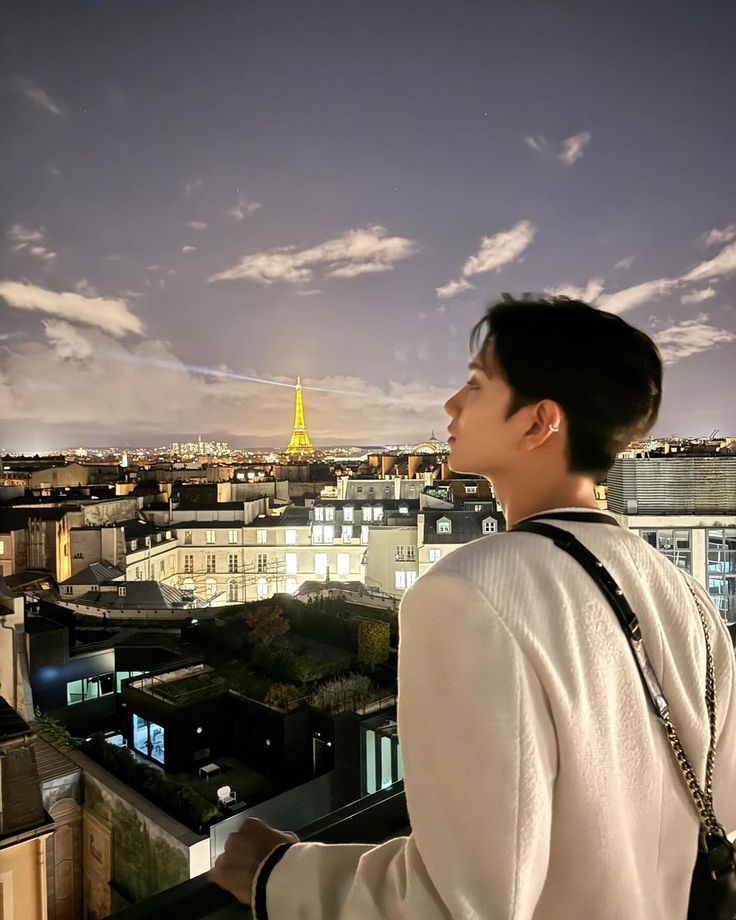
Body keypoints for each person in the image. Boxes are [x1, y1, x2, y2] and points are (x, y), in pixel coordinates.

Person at [209, 296, 736, 919]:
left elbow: (463, 904)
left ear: (539, 423)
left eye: (476, 385)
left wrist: (278, 877)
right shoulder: (688, 598)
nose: (451, 405)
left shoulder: (469, 591)